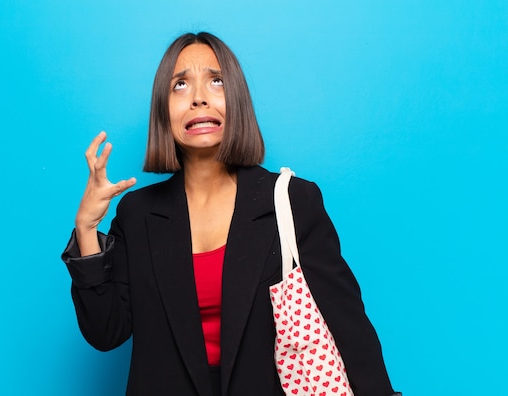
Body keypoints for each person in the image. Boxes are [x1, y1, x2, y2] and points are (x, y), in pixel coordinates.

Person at [62, 32, 399, 396]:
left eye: (216, 80)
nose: (199, 98)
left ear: (236, 99)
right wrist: (87, 229)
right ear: (163, 110)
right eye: (180, 85)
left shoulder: (291, 202)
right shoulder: (137, 214)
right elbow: (106, 332)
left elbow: (350, 331)